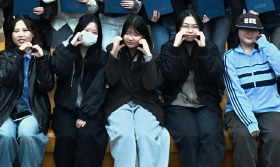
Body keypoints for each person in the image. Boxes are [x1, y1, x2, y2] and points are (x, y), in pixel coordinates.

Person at [223, 13, 280, 167]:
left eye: (254, 30)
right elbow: (235, 94)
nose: (249, 32)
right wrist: (250, 122)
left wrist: (265, 44)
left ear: (259, 32)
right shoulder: (229, 57)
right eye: (244, 28)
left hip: (270, 109)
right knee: (244, 136)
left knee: (276, 137)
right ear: (237, 30)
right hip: (238, 111)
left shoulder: (267, 51)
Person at [158, 11, 226, 167]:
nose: (190, 31)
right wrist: (175, 48)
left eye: (194, 27)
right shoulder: (168, 47)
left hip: (205, 103)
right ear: (178, 28)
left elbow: (214, 75)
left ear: (200, 29)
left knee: (211, 135)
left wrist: (203, 50)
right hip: (177, 104)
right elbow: (169, 75)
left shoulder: (210, 47)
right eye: (185, 26)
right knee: (189, 136)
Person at [104, 15, 170, 167]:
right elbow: (111, 81)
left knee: (145, 134)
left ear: (143, 36)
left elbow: (150, 85)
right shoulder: (112, 49)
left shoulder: (153, 55)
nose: (130, 38)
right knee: (124, 134)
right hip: (118, 102)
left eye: (136, 34)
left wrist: (148, 57)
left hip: (145, 102)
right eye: (127, 33)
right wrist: (114, 55)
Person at [0, 17, 54, 167]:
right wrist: (18, 55)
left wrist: (41, 60)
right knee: (6, 135)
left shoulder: (43, 55)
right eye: (16, 31)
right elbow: (5, 79)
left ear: (33, 33)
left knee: (27, 134)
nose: (21, 34)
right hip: (7, 109)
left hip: (33, 109)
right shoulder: (5, 55)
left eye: (25, 30)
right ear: (11, 35)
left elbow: (46, 86)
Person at [51, 14, 108, 167]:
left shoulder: (102, 56)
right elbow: (59, 69)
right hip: (65, 109)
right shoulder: (64, 49)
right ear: (79, 30)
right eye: (86, 30)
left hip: (91, 111)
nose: (90, 34)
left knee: (88, 136)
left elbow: (98, 88)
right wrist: (71, 47)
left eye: (94, 32)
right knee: (66, 137)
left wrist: (85, 113)